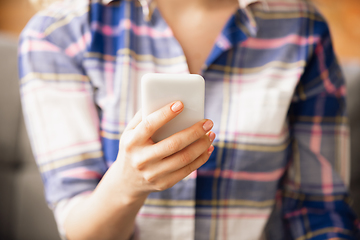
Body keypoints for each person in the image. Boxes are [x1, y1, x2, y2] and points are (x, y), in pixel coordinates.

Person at [19, 0, 360, 239]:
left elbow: (319, 208)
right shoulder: (57, 34)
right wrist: (126, 183)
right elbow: (80, 230)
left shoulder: (303, 28)